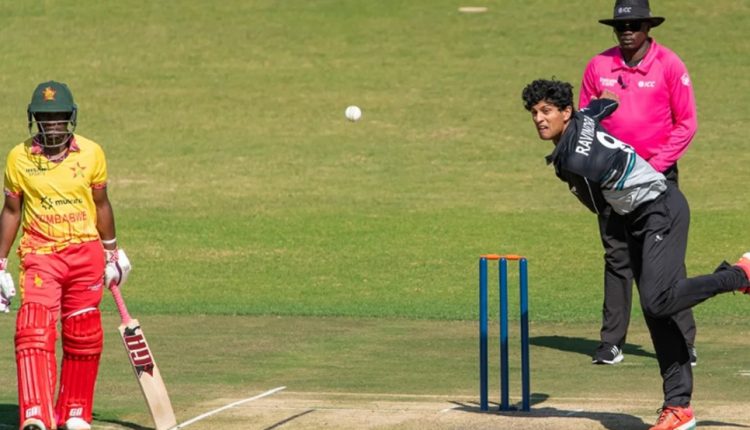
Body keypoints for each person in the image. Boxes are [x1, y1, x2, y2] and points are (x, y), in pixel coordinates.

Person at [521, 78, 749, 430]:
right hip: (639, 217)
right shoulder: (583, 118)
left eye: (546, 111)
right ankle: (678, 407)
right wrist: (606, 101)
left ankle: (740, 275)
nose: (539, 119)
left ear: (565, 112)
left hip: (660, 209)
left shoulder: (573, 161)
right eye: (534, 112)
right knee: (657, 313)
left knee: (658, 302)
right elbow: (602, 105)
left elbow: (599, 208)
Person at [0, 81, 131, 430]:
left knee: (83, 332)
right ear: (35, 119)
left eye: (58, 116)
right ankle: (36, 413)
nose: (53, 124)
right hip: (41, 254)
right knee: (34, 328)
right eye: (46, 118)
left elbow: (101, 204)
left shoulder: (92, 153)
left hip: (85, 253)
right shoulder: (18, 157)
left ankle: (75, 410)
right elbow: (11, 211)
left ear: (70, 117)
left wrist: (112, 252)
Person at [580, 0, 699, 366]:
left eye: (634, 25)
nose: (627, 31)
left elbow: (686, 123)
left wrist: (653, 167)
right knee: (617, 257)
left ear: (649, 28)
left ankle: (683, 342)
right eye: (621, 26)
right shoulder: (599, 66)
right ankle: (611, 343)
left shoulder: (669, 64)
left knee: (666, 262)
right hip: (612, 178)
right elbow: (585, 125)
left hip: (657, 177)